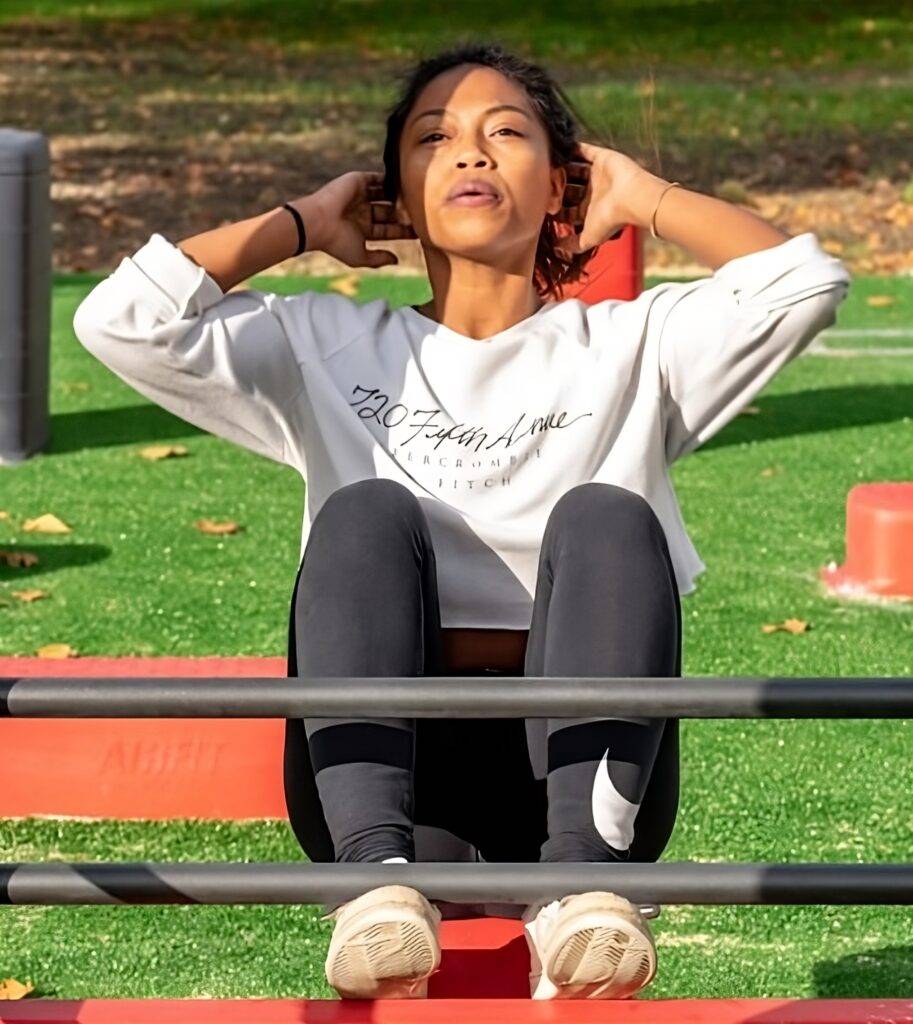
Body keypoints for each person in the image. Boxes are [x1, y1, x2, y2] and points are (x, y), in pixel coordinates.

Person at [72, 41, 851, 1003]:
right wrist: (301, 223)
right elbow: (120, 321)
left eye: (506, 134)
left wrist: (640, 194)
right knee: (362, 514)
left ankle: (582, 889)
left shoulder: (635, 341)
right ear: (392, 191)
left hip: (586, 773)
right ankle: (369, 884)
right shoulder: (322, 339)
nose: (470, 154)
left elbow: (804, 281)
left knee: (609, 514)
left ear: (562, 185)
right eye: (434, 138)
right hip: (386, 781)